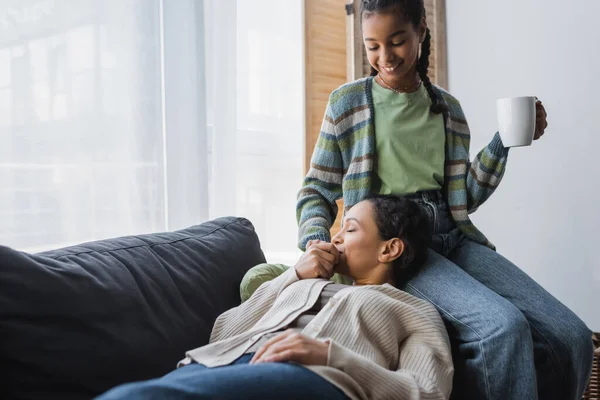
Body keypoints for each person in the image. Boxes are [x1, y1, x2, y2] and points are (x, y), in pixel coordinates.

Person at [292, 1, 594, 399]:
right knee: (502, 328)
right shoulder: (347, 104)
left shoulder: (448, 110)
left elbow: (463, 196)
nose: (385, 57)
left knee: (572, 335)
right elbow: (317, 189)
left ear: (421, 32)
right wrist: (314, 239)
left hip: (452, 234)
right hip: (399, 244)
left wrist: (504, 142)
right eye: (373, 46)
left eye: (397, 41)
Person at [96, 196, 454, 400]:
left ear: (390, 248)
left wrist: (331, 355)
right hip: (218, 367)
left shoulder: (413, 311)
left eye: (351, 228)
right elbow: (222, 334)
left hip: (317, 379)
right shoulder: (303, 282)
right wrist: (294, 274)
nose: (337, 237)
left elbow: (427, 394)